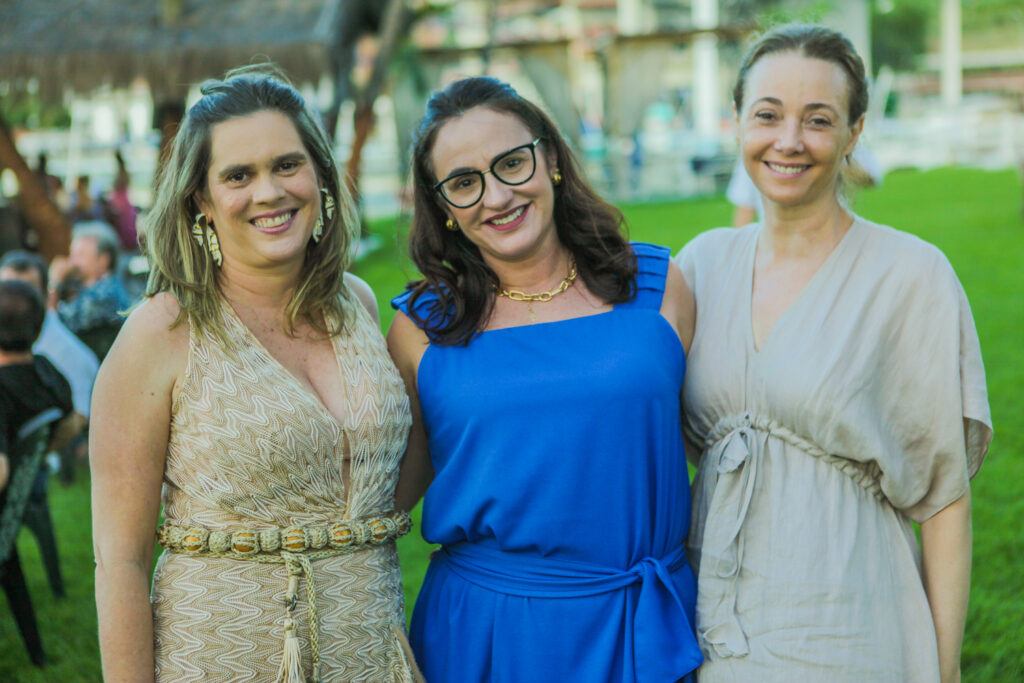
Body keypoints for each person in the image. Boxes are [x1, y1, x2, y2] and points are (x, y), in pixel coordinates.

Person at [675, 24, 992, 682]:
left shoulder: (910, 275)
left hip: (847, 620)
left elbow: (943, 500)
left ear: (853, 133)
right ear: (736, 122)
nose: (788, 141)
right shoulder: (702, 266)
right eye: (768, 115)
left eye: (818, 120)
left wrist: (945, 667)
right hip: (711, 619)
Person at [90, 66, 419, 682]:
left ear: (320, 176)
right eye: (238, 175)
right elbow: (120, 560)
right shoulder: (160, 332)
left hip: (371, 650)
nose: (269, 192)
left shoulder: (358, 304)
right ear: (201, 203)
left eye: (287, 165)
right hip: (222, 657)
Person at [387, 76, 703, 682]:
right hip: (491, 634)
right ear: (443, 207)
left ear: (551, 158)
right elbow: (385, 498)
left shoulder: (659, 287)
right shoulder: (421, 328)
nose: (497, 196)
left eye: (511, 163)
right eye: (464, 182)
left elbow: (714, 441)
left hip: (645, 624)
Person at [0, 250, 98, 430]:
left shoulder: (67, 357)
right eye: (6, 290)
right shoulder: (42, 362)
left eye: (26, 290)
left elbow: (79, 421)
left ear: (47, 297)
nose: (14, 300)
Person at [0, 280, 78, 492]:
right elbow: (71, 424)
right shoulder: (45, 369)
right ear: (38, 328)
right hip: (25, 490)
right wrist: (31, 460)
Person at [53, 221, 134, 357]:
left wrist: (54, 283)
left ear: (103, 260)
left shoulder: (105, 294)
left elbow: (55, 325)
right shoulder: (87, 287)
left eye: (81, 255)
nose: (72, 262)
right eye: (72, 255)